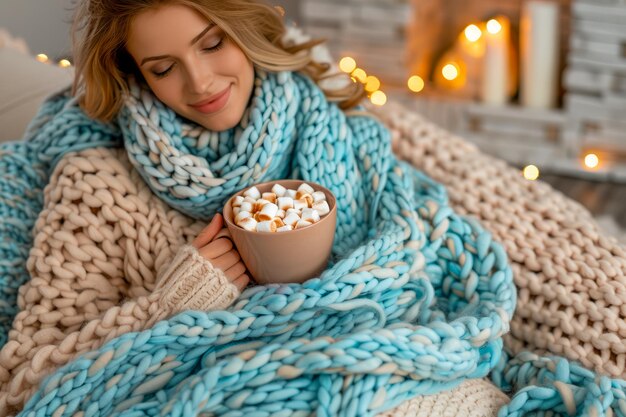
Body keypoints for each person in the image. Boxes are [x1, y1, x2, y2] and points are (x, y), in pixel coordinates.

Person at [0, 0, 521, 416]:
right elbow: (24, 383)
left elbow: (414, 254)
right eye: (163, 68)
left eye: (212, 44)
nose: (200, 82)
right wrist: (175, 303)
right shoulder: (96, 181)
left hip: (382, 359)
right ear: (133, 73)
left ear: (245, 28)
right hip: (230, 389)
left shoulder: (328, 122)